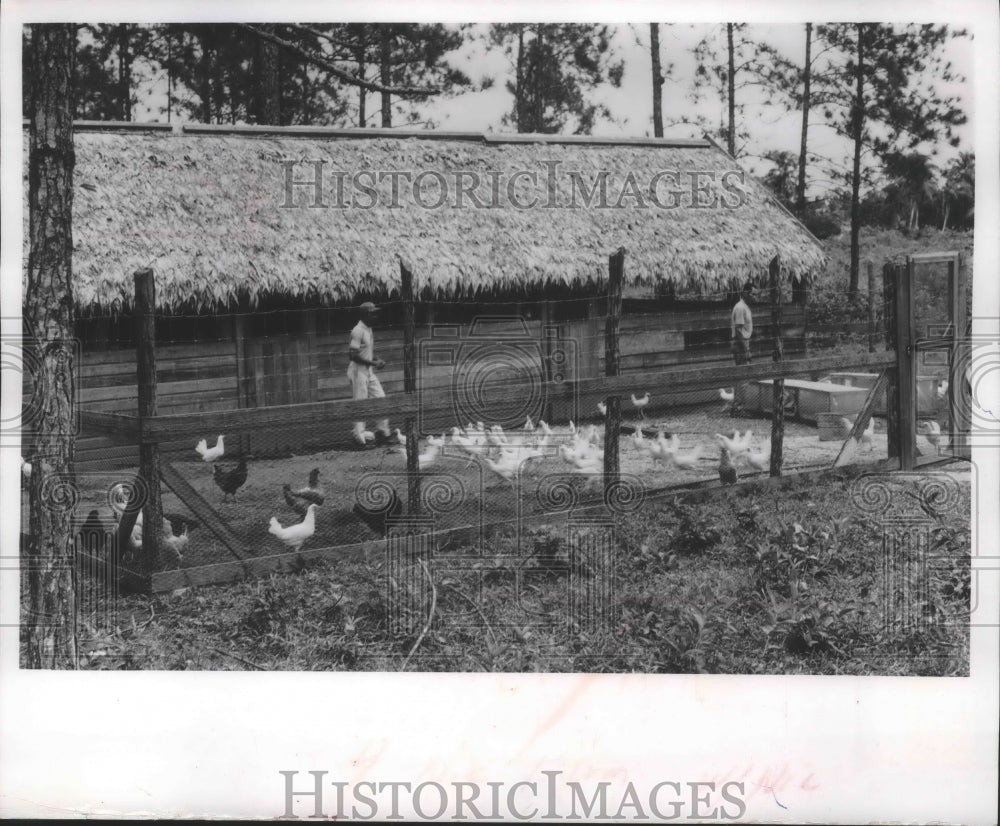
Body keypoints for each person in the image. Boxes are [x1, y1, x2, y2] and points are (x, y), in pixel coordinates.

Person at [347, 301, 393, 447]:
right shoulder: (358, 330)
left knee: (381, 399)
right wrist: (373, 363)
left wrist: (376, 360)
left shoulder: (368, 328)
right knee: (360, 404)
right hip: (358, 371)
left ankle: (382, 433)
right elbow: (353, 355)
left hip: (368, 371)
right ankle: (359, 439)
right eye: (373, 314)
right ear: (366, 315)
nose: (376, 316)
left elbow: (366, 352)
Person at [730, 282, 754, 415]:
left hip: (743, 343)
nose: (753, 297)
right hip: (740, 344)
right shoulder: (740, 307)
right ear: (745, 293)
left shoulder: (745, 307)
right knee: (742, 376)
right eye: (751, 294)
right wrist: (746, 349)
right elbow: (739, 330)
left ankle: (739, 405)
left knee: (743, 375)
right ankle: (738, 407)